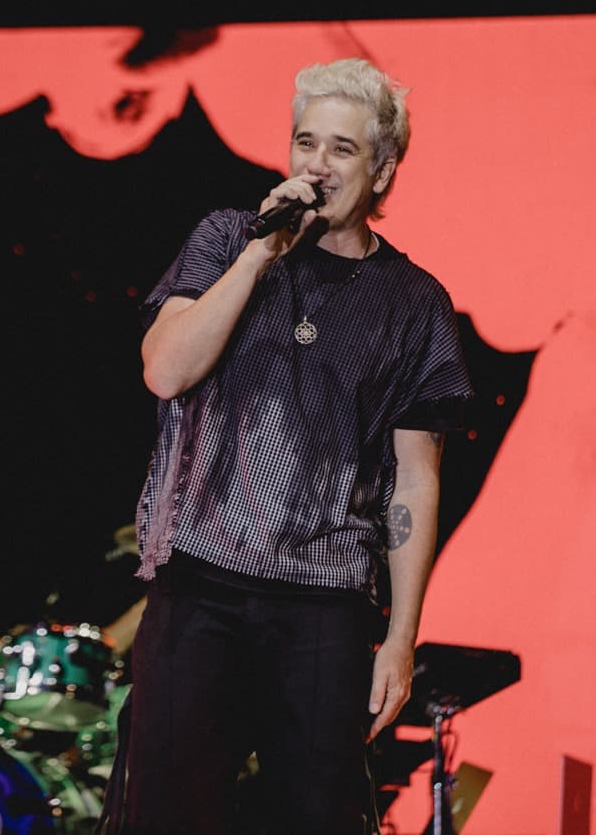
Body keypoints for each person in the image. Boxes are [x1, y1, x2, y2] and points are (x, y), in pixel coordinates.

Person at [95, 56, 473, 835]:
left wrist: (400, 638)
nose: (317, 164)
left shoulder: (415, 305)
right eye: (306, 142)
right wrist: (260, 255)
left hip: (323, 604)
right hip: (199, 585)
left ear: (382, 170)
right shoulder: (226, 239)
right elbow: (165, 370)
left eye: (342, 148)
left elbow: (415, 482)